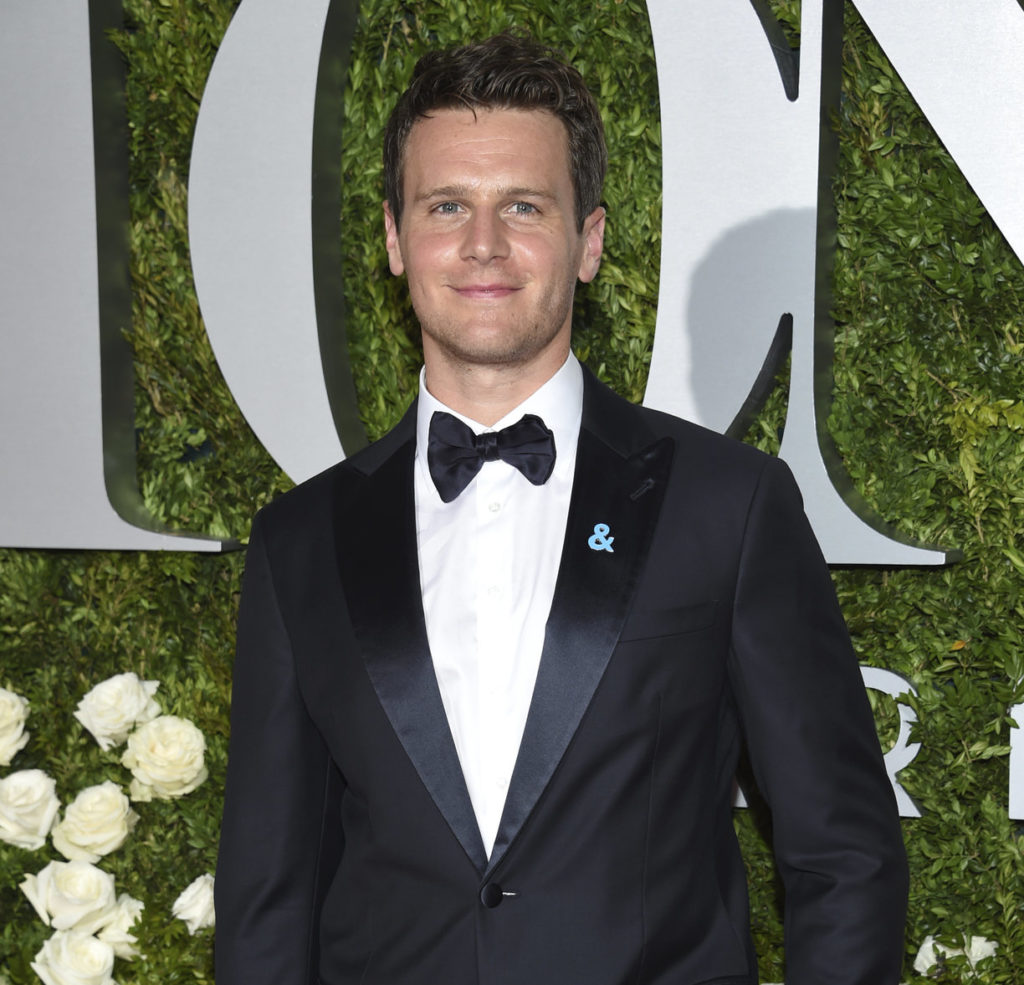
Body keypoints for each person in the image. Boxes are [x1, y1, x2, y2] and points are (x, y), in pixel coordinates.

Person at [215, 32, 908, 985]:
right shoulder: (300, 542)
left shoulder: (729, 508)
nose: (483, 245)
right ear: (392, 238)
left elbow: (845, 858)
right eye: (446, 204)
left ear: (588, 242)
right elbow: (266, 900)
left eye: (525, 207)